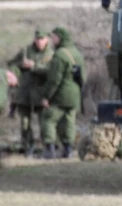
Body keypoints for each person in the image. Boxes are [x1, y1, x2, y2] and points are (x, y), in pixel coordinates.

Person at [6, 28, 53, 156]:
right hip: (24, 92)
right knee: (25, 123)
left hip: (41, 94)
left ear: (47, 39)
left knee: (44, 122)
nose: (39, 42)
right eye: (37, 39)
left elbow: (52, 72)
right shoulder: (26, 51)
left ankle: (47, 147)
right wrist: (20, 66)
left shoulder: (51, 54)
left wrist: (35, 66)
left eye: (42, 39)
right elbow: (11, 64)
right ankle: (28, 146)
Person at [40, 27, 83, 159]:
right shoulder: (76, 52)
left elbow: (54, 80)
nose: (52, 40)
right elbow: (83, 76)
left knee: (48, 119)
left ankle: (50, 150)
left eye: (53, 37)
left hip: (60, 95)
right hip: (75, 94)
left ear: (60, 38)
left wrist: (46, 96)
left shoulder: (60, 55)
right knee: (69, 122)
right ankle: (68, 150)